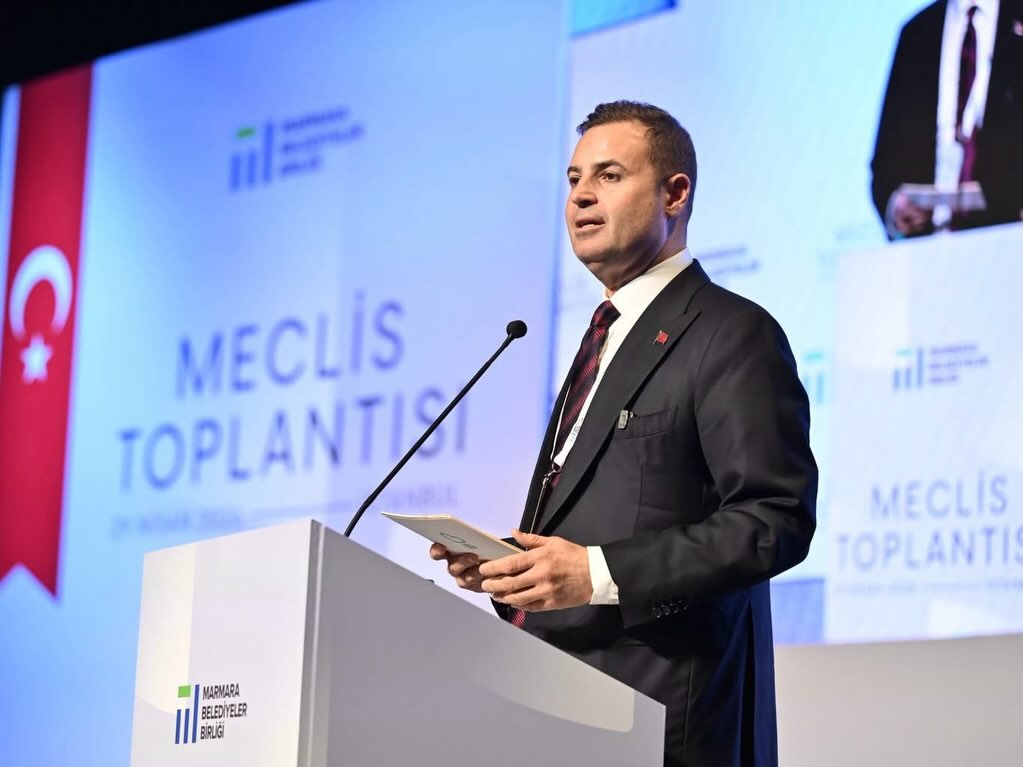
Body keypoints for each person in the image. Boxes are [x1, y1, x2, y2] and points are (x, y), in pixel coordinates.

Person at [431, 101, 817, 767]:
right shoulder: (604, 337)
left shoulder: (730, 332)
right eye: (573, 178)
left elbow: (773, 519)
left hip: (663, 723)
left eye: (608, 175)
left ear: (675, 193)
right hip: (559, 712)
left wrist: (594, 572)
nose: (581, 194)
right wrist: (513, 570)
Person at [871, 0, 1023, 238]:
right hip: (931, 244)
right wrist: (895, 208)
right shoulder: (917, 31)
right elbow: (886, 161)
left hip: (1009, 239)